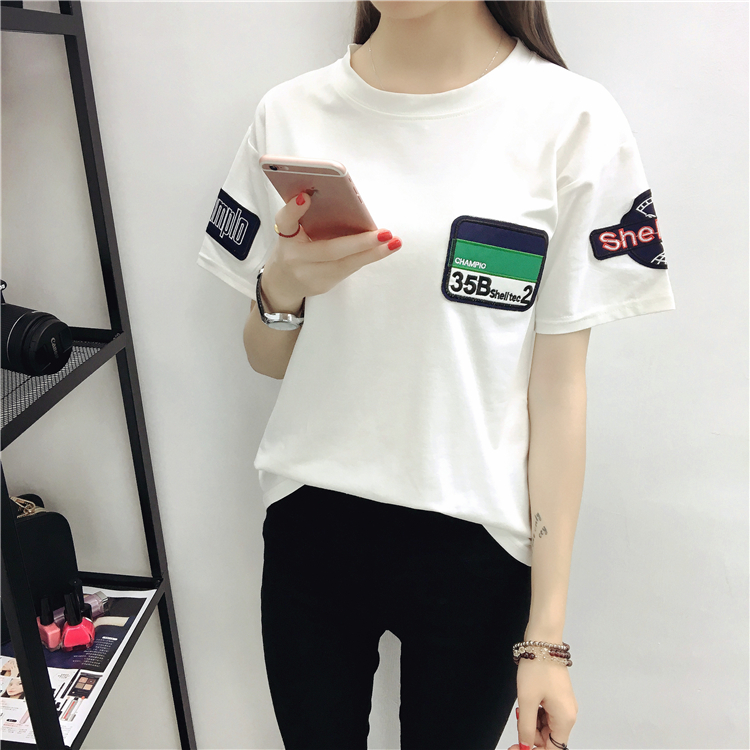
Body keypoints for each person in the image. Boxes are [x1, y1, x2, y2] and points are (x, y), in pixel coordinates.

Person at [197, 2, 676, 748]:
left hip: (478, 546)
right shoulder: (290, 113)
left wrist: (546, 638)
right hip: (311, 522)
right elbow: (266, 356)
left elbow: (558, 392)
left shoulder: (571, 120)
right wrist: (282, 285)